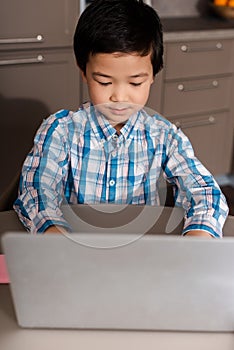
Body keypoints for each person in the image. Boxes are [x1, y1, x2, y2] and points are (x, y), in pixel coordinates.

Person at [14, 0, 228, 237]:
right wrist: (55, 234)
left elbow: (205, 192)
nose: (119, 96)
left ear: (153, 75)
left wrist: (198, 235)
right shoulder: (60, 131)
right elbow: (36, 191)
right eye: (104, 82)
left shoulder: (164, 136)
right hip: (75, 250)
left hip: (140, 252)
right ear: (83, 70)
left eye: (135, 82)